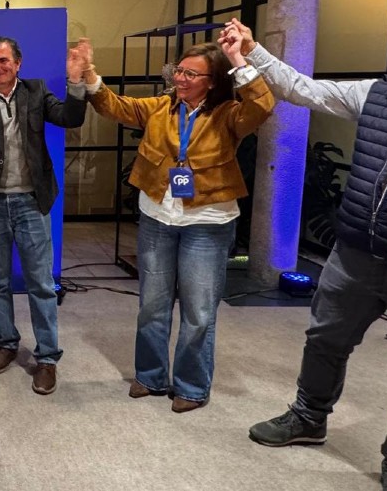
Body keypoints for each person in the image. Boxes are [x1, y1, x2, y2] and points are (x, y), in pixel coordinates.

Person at [230, 7, 387, 491]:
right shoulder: (379, 94)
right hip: (355, 255)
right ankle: (308, 417)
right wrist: (252, 49)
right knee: (325, 339)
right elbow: (303, 88)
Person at [81, 35, 274, 412]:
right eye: (179, 71)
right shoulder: (162, 107)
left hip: (208, 221)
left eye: (191, 73)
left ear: (214, 80)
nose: (180, 78)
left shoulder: (230, 114)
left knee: (199, 310)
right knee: (152, 304)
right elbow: (116, 106)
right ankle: (150, 375)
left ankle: (191, 385)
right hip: (157, 216)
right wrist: (89, 75)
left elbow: (263, 105)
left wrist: (239, 59)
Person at [0, 36, 89, 395]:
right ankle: (6, 343)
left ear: (18, 63)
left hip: (30, 202)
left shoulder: (36, 91)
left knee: (41, 283)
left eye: (3, 61)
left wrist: (75, 81)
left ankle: (46, 358)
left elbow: (70, 117)